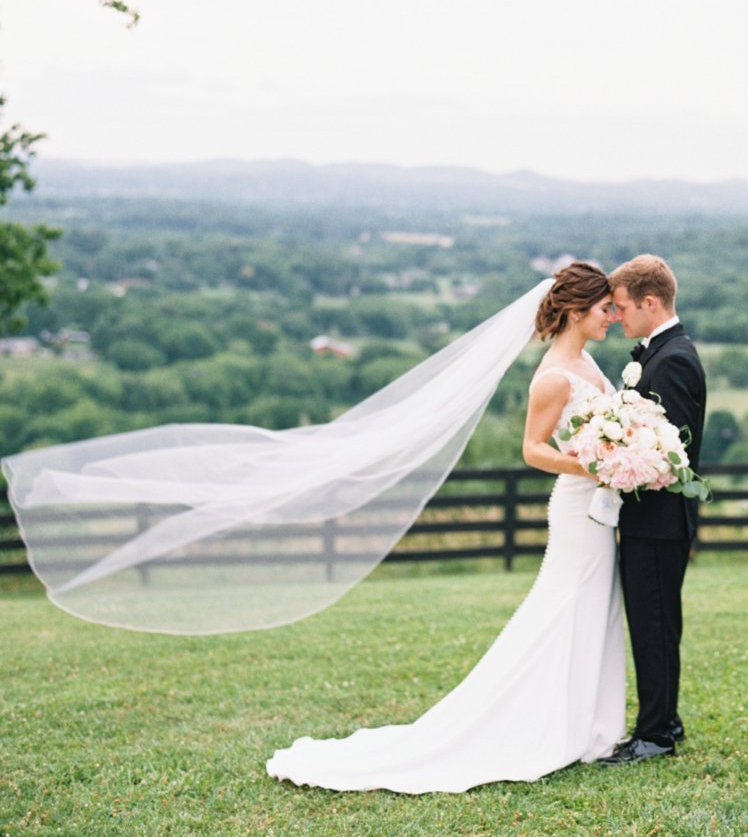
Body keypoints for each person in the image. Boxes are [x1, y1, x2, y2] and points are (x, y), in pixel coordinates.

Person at [266, 262, 628, 793]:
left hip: (598, 505)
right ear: (576, 311)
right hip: (577, 507)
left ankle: (592, 726)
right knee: (566, 608)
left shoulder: (590, 362)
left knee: (597, 607)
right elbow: (532, 449)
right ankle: (551, 725)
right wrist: (594, 466)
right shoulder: (553, 376)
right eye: (604, 310)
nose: (612, 318)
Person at [599, 255, 707, 766]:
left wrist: (613, 458)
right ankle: (665, 720)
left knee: (655, 623)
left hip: (660, 520)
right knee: (653, 622)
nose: (617, 317)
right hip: (647, 519)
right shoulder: (657, 353)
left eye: (621, 307)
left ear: (650, 302)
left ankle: (656, 734)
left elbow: (671, 453)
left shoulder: (675, 359)